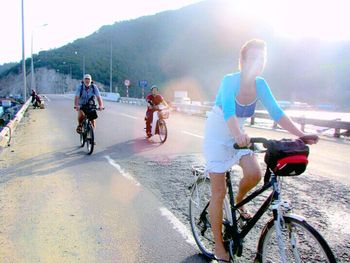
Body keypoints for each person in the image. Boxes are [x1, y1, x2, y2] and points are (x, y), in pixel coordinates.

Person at [203, 39, 318, 262]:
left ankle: (238, 200)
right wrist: (237, 134)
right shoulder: (230, 81)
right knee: (218, 192)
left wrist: (300, 135)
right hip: (219, 133)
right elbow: (228, 111)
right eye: (254, 58)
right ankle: (218, 246)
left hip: (240, 134)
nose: (259, 62)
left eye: (262, 58)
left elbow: (276, 112)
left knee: (255, 174)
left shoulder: (261, 84)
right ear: (242, 61)